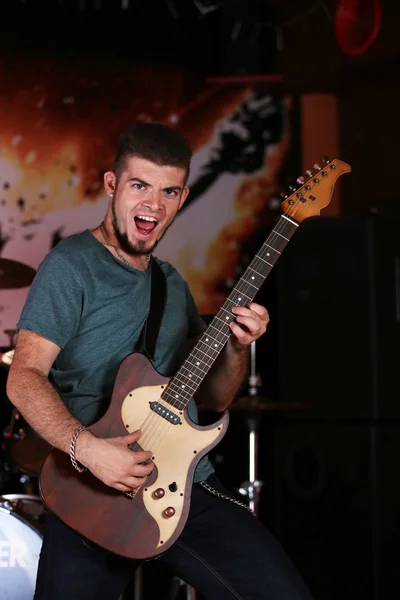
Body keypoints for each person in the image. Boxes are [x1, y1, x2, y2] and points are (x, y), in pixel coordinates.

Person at [6, 123, 314, 600]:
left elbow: (212, 399)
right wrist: (89, 451)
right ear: (112, 185)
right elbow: (23, 378)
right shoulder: (72, 265)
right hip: (92, 490)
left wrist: (238, 347)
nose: (153, 204)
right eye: (139, 186)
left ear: (183, 196)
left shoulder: (172, 285)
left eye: (168, 191)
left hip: (185, 490)